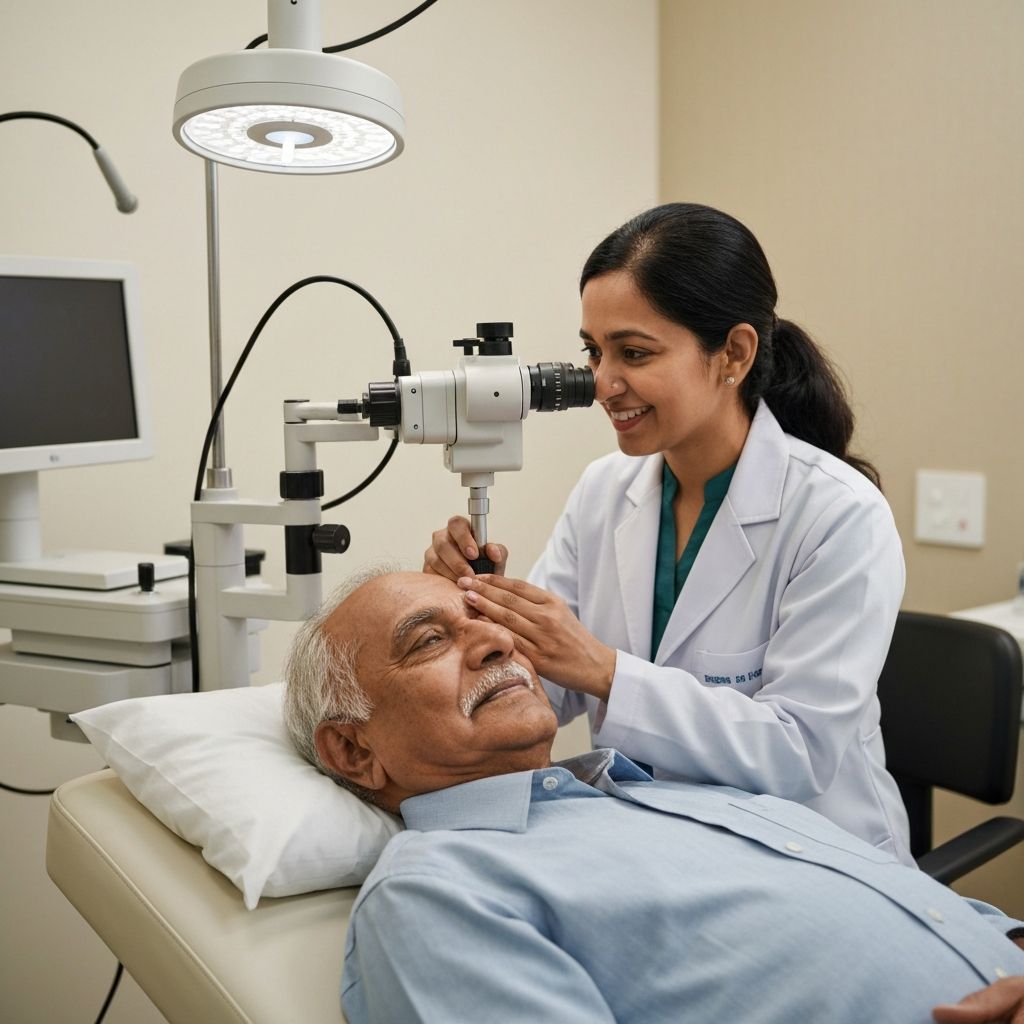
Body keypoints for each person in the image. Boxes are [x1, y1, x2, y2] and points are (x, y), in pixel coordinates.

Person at [283, 567, 1024, 1024]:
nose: (499, 642)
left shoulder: (676, 793)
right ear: (353, 750)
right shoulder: (439, 893)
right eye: (428, 641)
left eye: (490, 620)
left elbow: (924, 908)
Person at [424, 202, 911, 862]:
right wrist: (465, 608)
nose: (602, 383)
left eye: (634, 352)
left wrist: (605, 670)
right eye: (593, 352)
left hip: (809, 852)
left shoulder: (838, 514)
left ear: (733, 353)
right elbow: (548, 685)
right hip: (655, 840)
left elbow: (798, 750)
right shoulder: (604, 491)